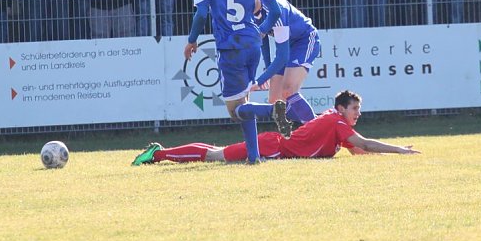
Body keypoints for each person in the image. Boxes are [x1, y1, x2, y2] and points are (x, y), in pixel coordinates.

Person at [183, 0, 288, 164]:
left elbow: (201, 13)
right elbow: (276, 10)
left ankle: (272, 110)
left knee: (234, 111)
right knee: (244, 100)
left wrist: (192, 39)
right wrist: (261, 32)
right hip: (252, 43)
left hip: (230, 47)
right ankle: (253, 156)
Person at [131, 90, 420, 165]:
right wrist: (399, 151)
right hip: (272, 147)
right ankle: (157, 155)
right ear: (343, 108)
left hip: (275, 146)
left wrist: (385, 157)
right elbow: (365, 144)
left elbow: (359, 151)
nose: (358, 113)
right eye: (355, 108)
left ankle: (160, 153)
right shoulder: (336, 121)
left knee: (216, 153)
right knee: (214, 157)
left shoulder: (337, 124)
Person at [253, 0, 320, 124]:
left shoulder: (276, 10)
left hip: (304, 40)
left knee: (289, 90)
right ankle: (308, 127)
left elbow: (282, 56)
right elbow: (262, 39)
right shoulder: (250, 12)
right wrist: (268, 68)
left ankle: (318, 131)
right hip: (288, 44)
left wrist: (261, 80)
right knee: (275, 101)